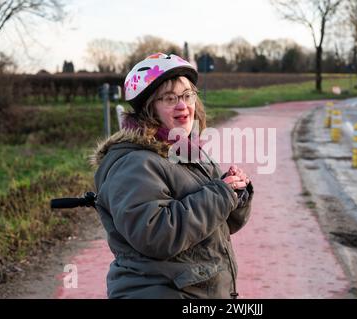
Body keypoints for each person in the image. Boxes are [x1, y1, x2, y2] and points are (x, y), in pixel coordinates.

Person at [90, 52, 254, 299]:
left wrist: (235, 193)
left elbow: (218, 225)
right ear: (148, 109)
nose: (182, 105)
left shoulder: (188, 153)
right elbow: (155, 235)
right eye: (169, 98)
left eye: (188, 95)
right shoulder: (134, 164)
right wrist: (220, 195)